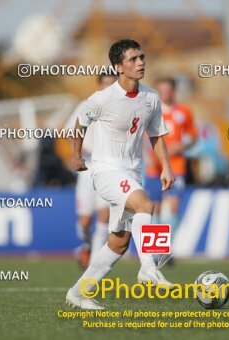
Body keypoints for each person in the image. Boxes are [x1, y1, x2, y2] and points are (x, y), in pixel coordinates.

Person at [65, 39, 175, 310]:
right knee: (146, 205)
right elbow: (81, 121)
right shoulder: (103, 98)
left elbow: (157, 134)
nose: (140, 63)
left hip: (132, 172)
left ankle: (79, 293)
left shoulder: (151, 97)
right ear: (119, 66)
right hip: (105, 169)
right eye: (133, 59)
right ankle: (149, 267)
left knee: (119, 242)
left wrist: (166, 166)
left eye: (142, 57)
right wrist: (76, 155)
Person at [65, 73, 117, 269]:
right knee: (85, 220)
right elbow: (71, 131)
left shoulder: (120, 108)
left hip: (107, 168)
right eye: (105, 84)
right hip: (87, 168)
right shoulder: (85, 106)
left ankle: (95, 261)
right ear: (98, 86)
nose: (108, 89)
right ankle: (86, 244)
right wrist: (76, 153)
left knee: (104, 214)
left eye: (112, 85)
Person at [144, 78, 197, 262]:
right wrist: (148, 154)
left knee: (173, 207)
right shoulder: (150, 111)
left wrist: (181, 145)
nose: (165, 93)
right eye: (161, 90)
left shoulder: (184, 111)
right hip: (153, 167)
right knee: (154, 208)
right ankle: (155, 253)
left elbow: (192, 135)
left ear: (173, 91)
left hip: (176, 166)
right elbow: (142, 137)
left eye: (168, 90)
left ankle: (167, 249)